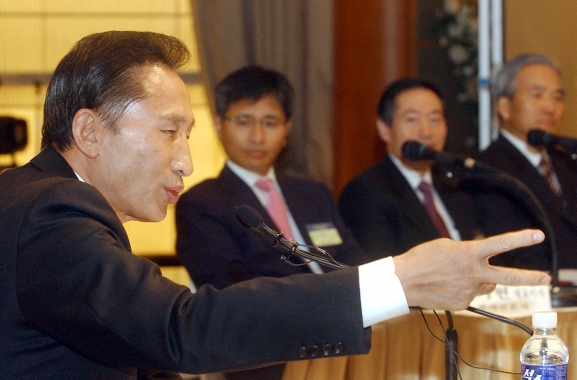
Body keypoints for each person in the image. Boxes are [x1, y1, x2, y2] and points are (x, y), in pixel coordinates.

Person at [0, 31, 551, 380]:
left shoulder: (48, 202)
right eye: (169, 132)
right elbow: (184, 329)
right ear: (90, 130)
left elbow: (141, 354)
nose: (186, 161)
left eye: (188, 134)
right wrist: (397, 280)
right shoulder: (52, 214)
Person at [175, 65, 369, 380]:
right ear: (218, 124)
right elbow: (231, 290)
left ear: (287, 128)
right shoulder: (202, 203)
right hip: (268, 352)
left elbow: (349, 255)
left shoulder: (313, 192)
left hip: (347, 337)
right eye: (244, 121)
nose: (257, 136)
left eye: (270, 122)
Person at [338, 78, 483, 260]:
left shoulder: (455, 183)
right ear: (385, 129)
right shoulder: (365, 191)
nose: (426, 132)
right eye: (412, 119)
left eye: (434, 119)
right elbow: (382, 270)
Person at [476, 54, 577, 270]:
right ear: (504, 106)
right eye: (537, 95)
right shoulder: (487, 169)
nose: (550, 107)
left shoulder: (567, 161)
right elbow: (507, 253)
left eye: (557, 97)